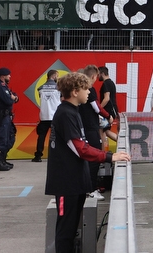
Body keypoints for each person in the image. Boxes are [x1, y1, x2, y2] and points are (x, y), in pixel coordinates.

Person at [45, 72, 131, 253]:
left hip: (74, 182)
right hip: (66, 183)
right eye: (86, 89)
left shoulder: (72, 112)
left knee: (71, 227)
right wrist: (110, 157)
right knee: (65, 230)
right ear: (75, 92)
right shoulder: (66, 113)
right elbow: (80, 149)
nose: (89, 92)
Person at [78, 65, 112, 198]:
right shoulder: (89, 89)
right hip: (89, 128)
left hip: (84, 127)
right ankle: (91, 189)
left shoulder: (81, 91)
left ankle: (87, 187)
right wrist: (108, 115)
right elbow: (97, 107)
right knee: (94, 157)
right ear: (93, 76)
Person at [0, 67, 19, 171]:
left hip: (7, 117)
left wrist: (14, 98)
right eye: (8, 75)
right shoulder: (0, 86)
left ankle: (3, 159)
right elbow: (9, 100)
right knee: (2, 140)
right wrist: (12, 98)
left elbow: (15, 97)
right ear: (3, 76)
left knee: (10, 138)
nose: (10, 77)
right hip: (2, 117)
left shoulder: (5, 87)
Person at [33, 69, 61, 162]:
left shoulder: (41, 88)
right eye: (57, 75)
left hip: (44, 116)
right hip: (55, 116)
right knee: (56, 137)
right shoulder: (58, 88)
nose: (58, 77)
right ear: (53, 76)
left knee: (41, 137)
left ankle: (38, 156)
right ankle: (56, 156)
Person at [98, 66, 120, 142]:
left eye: (98, 74)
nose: (98, 76)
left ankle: (119, 141)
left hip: (108, 111)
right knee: (104, 131)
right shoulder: (111, 83)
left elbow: (106, 98)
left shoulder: (106, 84)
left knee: (103, 131)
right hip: (112, 110)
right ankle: (105, 149)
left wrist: (99, 109)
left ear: (102, 74)